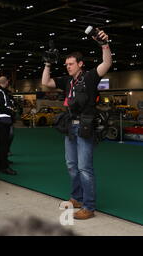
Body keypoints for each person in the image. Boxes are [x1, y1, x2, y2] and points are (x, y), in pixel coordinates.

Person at [41, 28, 112, 220]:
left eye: (71, 64)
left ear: (80, 64)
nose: (68, 66)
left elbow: (107, 63)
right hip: (70, 128)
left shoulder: (89, 77)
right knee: (71, 165)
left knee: (84, 168)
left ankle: (89, 207)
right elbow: (45, 82)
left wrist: (104, 44)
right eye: (66, 64)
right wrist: (48, 63)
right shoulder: (66, 81)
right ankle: (77, 198)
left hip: (85, 128)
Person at [0, 76, 17, 175]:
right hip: (2, 121)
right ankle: (3, 166)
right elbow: (2, 107)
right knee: (3, 145)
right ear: (7, 82)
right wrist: (11, 110)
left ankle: (2, 164)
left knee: (3, 145)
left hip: (4, 121)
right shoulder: (0, 92)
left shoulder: (2, 92)